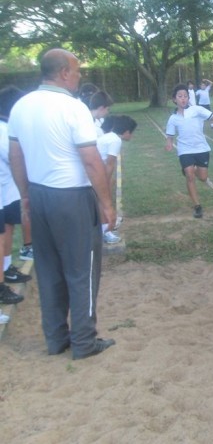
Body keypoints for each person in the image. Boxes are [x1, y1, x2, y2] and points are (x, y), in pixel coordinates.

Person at [8, 48, 116, 359]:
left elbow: (16, 157)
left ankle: (56, 338)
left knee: (49, 270)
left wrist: (26, 195)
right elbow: (91, 161)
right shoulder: (73, 107)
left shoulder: (21, 106)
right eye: (77, 71)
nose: (79, 76)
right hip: (72, 197)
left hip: (39, 194)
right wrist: (107, 204)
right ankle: (84, 341)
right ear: (64, 72)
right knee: (83, 270)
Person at [165, 83, 213, 218]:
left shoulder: (197, 110)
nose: (183, 98)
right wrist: (169, 144)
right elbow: (170, 134)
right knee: (189, 175)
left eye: (185, 96)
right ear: (174, 99)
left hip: (201, 148)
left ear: (188, 98)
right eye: (180, 96)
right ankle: (197, 206)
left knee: (203, 177)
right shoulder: (173, 118)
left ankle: (190, 169)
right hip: (185, 150)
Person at [0, 86, 33, 286]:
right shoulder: (4, 130)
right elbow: (13, 158)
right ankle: (4, 272)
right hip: (5, 189)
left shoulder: (6, 127)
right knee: (4, 233)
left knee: (8, 230)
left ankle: (7, 268)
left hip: (8, 191)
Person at [97, 115, 137, 244]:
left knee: (101, 201)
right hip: (93, 175)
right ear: (126, 132)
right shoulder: (115, 140)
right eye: (132, 133)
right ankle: (105, 232)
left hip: (93, 173)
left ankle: (103, 230)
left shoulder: (109, 136)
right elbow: (109, 164)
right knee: (103, 201)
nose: (132, 136)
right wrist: (105, 184)